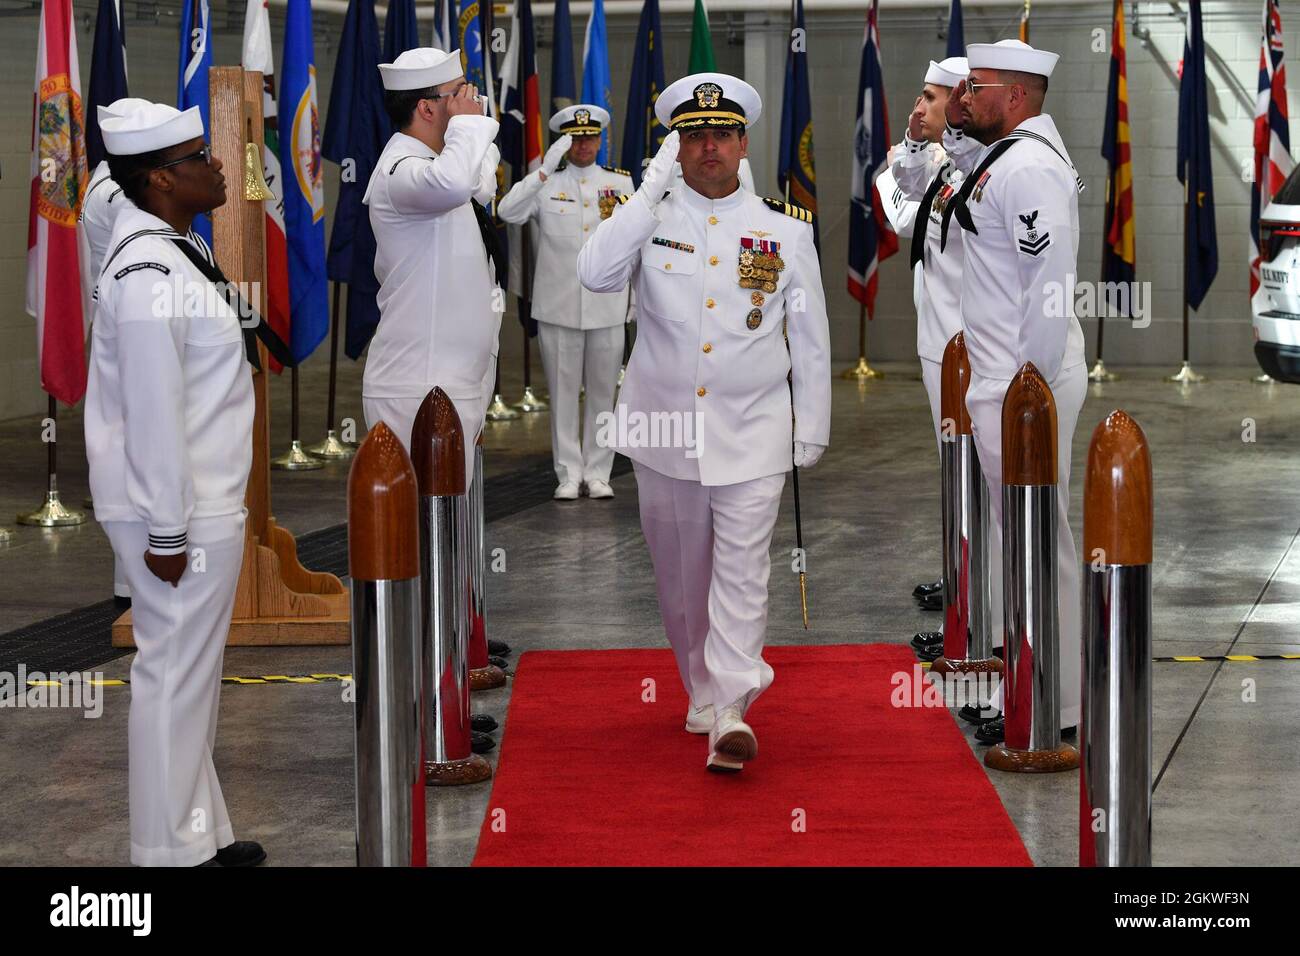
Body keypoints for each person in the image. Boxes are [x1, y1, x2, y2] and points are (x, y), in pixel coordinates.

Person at [577, 72, 831, 773]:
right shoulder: (647, 219)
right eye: (692, 136)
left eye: (721, 133)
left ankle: (730, 708)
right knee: (682, 577)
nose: (708, 147)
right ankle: (700, 687)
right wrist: (649, 184)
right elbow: (595, 274)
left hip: (754, 430)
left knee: (744, 572)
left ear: (744, 141)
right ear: (676, 147)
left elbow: (809, 336)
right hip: (663, 434)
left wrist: (811, 422)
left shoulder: (784, 229)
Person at [86, 101, 267, 866]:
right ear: (161, 178)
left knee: (191, 677)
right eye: (200, 158)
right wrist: (166, 531)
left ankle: (199, 833)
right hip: (177, 514)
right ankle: (165, 855)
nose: (219, 165)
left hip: (195, 503)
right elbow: (152, 414)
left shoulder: (171, 248)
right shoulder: (148, 271)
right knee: (169, 677)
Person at [943, 40, 1087, 743]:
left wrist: (1030, 389)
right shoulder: (1006, 156)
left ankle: (1057, 705)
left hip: (1025, 384)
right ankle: (1038, 690)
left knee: (1039, 545)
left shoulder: (1028, 166)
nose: (964, 97)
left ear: (1018, 97)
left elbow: (1049, 287)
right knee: (1026, 542)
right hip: (1007, 382)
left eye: (977, 86)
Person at [362, 47, 503, 488]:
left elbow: (477, 182)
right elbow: (457, 181)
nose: (472, 100)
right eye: (458, 94)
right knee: (421, 539)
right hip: (418, 389)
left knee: (454, 535)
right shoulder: (401, 172)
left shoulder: (435, 168)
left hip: (455, 381)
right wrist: (468, 127)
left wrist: (468, 128)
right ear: (426, 108)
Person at [497, 105, 633, 500]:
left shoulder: (620, 185)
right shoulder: (547, 185)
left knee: (604, 394)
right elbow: (507, 211)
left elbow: (633, 245)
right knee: (562, 393)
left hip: (607, 305)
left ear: (601, 139)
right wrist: (543, 169)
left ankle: (599, 471)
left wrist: (635, 301)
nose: (585, 144)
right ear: (565, 142)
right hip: (558, 307)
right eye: (576, 138)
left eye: (591, 137)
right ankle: (568, 474)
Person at [887, 57, 978, 642]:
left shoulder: (976, 168)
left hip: (972, 351)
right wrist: (921, 150)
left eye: (929, 98)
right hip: (938, 345)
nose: (916, 109)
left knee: (982, 484)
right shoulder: (931, 166)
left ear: (961, 106)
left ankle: (976, 607)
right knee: (956, 475)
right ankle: (965, 588)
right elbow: (898, 208)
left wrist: (931, 159)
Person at [81, 96, 153, 610]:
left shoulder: (106, 183)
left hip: (134, 323)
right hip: (132, 330)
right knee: (138, 451)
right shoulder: (113, 193)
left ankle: (135, 585)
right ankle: (134, 591)